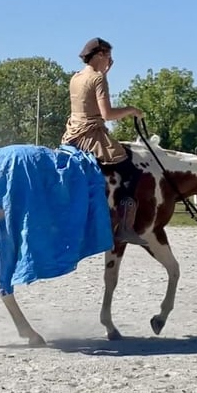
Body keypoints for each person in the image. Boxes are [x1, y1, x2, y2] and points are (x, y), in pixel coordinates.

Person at [61, 37, 147, 246]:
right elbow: (107, 114)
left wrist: (104, 74)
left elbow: (87, 97)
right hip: (92, 137)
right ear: (100, 55)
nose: (110, 59)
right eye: (108, 55)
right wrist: (132, 110)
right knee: (132, 171)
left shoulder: (76, 77)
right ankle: (125, 227)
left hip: (72, 135)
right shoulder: (98, 78)